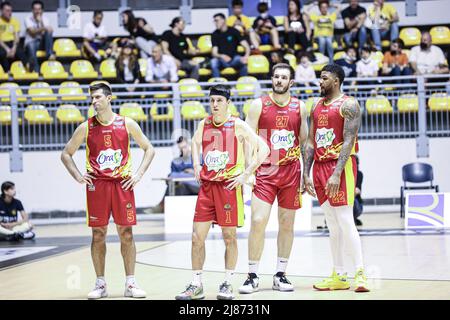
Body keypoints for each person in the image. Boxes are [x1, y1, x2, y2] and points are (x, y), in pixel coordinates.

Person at [61, 82, 155, 299]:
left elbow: (149, 149)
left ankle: (131, 283)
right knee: (98, 234)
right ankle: (100, 283)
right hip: (98, 187)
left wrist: (138, 174)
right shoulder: (86, 127)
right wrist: (78, 176)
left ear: (109, 98)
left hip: (122, 185)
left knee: (126, 233)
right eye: (92, 98)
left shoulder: (127, 123)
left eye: (97, 97)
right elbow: (66, 153)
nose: (94, 102)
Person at [175, 85, 270, 300]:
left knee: (229, 237)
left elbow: (264, 150)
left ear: (228, 102)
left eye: (219, 100)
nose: (215, 104)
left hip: (229, 188)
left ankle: (227, 282)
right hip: (207, 188)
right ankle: (196, 284)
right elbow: (195, 142)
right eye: (212, 100)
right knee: (196, 237)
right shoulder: (204, 123)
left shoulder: (238, 125)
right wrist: (197, 166)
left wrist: (246, 175)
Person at [239, 63, 308, 294]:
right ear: (272, 79)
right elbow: (247, 140)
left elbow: (304, 142)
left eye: (284, 77)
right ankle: (252, 275)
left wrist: (305, 173)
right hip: (265, 172)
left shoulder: (300, 107)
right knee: (258, 221)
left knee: (287, 224)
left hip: (290, 173)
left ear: (291, 82)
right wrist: (248, 172)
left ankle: (280, 274)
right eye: (276, 77)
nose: (279, 80)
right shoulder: (258, 105)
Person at [303, 63, 369, 292]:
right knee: (331, 223)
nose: (320, 82)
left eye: (323, 78)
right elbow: (311, 141)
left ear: (336, 81)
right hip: (319, 167)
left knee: (344, 219)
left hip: (340, 167)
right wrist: (305, 172)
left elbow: (349, 141)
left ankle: (360, 273)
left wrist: (337, 173)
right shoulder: (315, 106)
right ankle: (339, 274)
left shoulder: (349, 105)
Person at [210, 13, 250, 78]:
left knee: (242, 61)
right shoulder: (215, 34)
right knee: (213, 62)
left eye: (216, 20)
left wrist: (246, 56)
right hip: (221, 60)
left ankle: (243, 83)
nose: (215, 23)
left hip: (234, 58)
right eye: (214, 21)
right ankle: (217, 85)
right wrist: (222, 56)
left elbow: (246, 46)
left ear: (223, 20)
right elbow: (214, 53)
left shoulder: (234, 31)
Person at [24, 0, 55, 72]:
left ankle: (49, 54)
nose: (37, 11)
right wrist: (44, 28)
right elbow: (32, 32)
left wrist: (41, 22)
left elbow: (46, 32)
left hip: (42, 43)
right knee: (31, 45)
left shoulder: (45, 19)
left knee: (48, 31)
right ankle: (36, 71)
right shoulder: (27, 19)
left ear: (42, 10)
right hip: (31, 42)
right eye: (35, 9)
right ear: (32, 10)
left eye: (39, 9)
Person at [0, 1, 26, 72]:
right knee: (2, 53)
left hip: (12, 43)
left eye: (11, 11)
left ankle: (28, 67)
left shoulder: (15, 21)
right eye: (7, 11)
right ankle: (7, 71)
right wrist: (7, 49)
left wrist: (14, 48)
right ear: (2, 11)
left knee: (20, 51)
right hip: (2, 44)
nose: (10, 13)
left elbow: (17, 37)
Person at [353, 156, 363, 226]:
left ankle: (353, 218)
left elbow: (357, 191)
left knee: (352, 200)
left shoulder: (359, 174)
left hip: (357, 205)